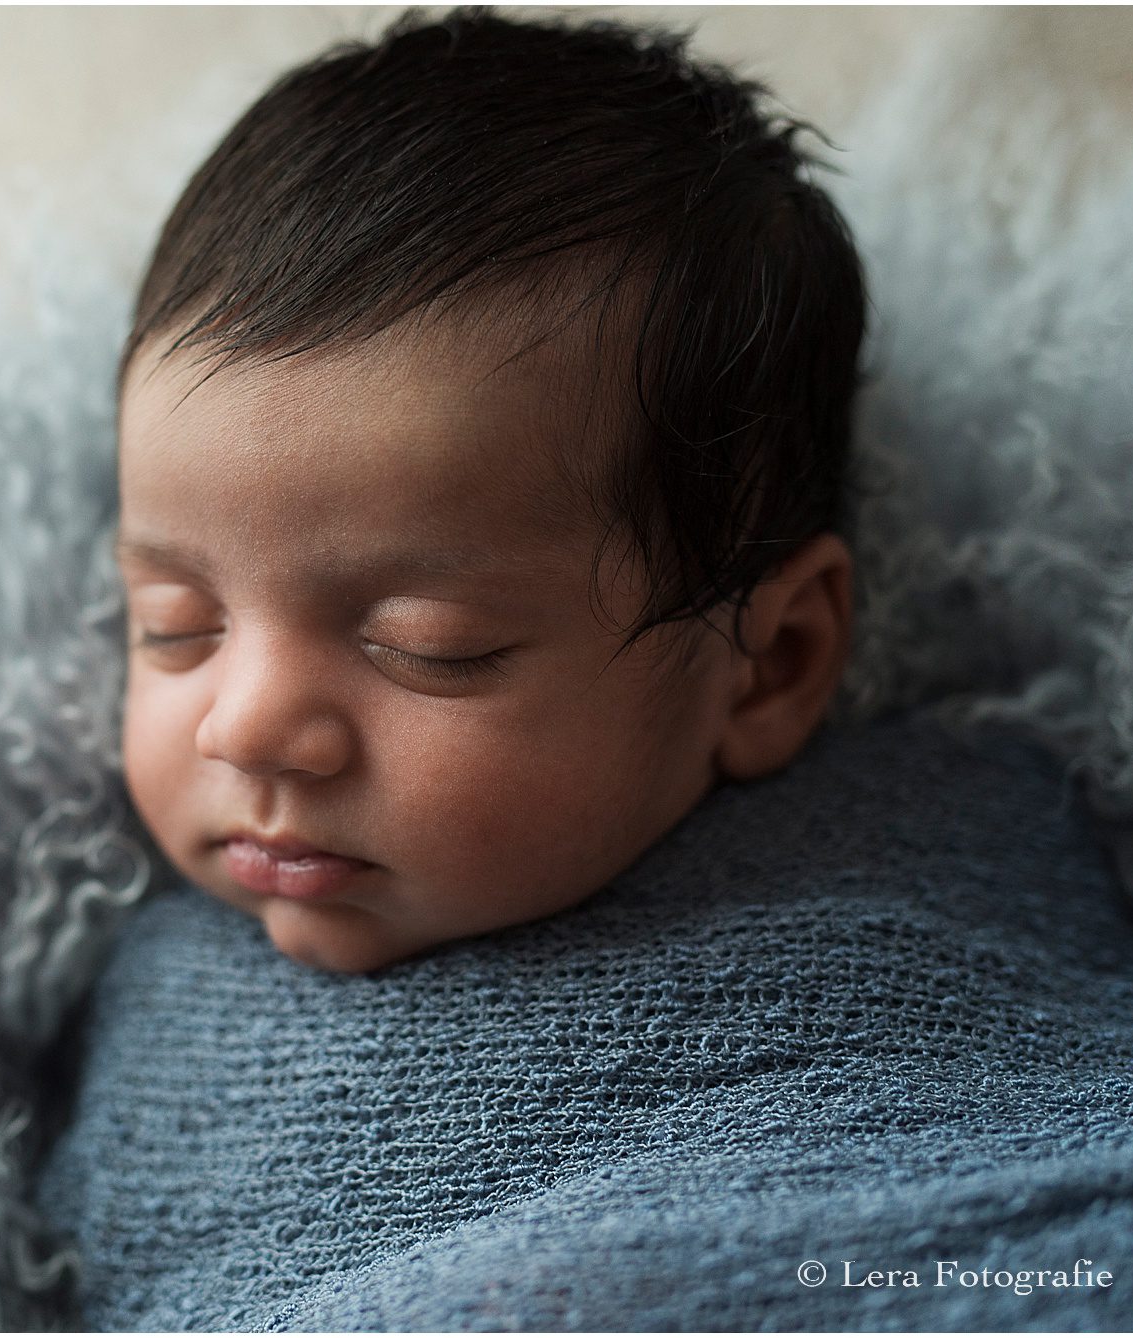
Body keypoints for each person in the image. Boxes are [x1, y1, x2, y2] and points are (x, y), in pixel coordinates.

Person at [113, 7, 864, 973]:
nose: (246, 727)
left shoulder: (892, 927)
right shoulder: (114, 974)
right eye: (174, 623)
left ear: (772, 664)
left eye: (427, 647)